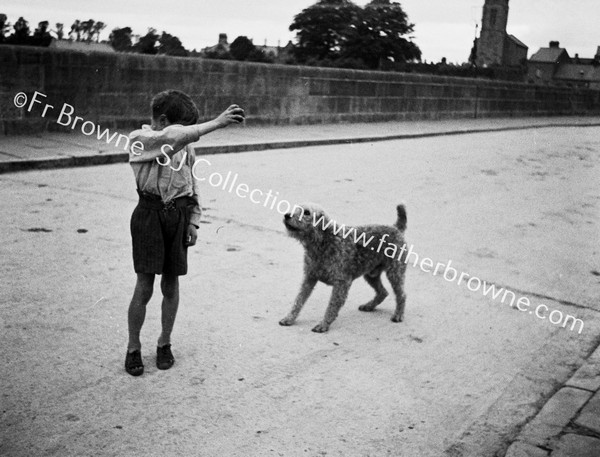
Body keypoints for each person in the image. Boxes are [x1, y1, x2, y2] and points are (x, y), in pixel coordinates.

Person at [125, 89, 244, 376]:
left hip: (177, 215)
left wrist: (193, 220)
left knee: (171, 284)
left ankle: (164, 342)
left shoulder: (186, 146)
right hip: (149, 215)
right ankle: (133, 347)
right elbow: (171, 138)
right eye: (187, 128)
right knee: (144, 285)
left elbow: (191, 183)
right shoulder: (139, 140)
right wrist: (216, 123)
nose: (190, 134)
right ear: (163, 120)